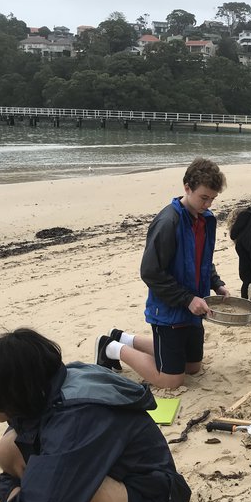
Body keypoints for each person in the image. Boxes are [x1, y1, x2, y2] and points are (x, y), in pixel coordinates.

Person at [0, 328, 191, 502]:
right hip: (126, 489)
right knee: (11, 447)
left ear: (9, 395)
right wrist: (14, 496)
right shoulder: (49, 389)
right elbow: (14, 472)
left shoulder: (75, 416)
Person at [96, 158, 229, 389]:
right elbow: (149, 272)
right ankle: (111, 347)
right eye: (203, 198)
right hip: (168, 311)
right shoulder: (168, 221)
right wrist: (187, 299)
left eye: (212, 199)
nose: (207, 204)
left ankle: (124, 338)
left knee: (193, 367)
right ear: (187, 188)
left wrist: (216, 283)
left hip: (194, 308)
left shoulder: (207, 220)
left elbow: (204, 259)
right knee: (171, 381)